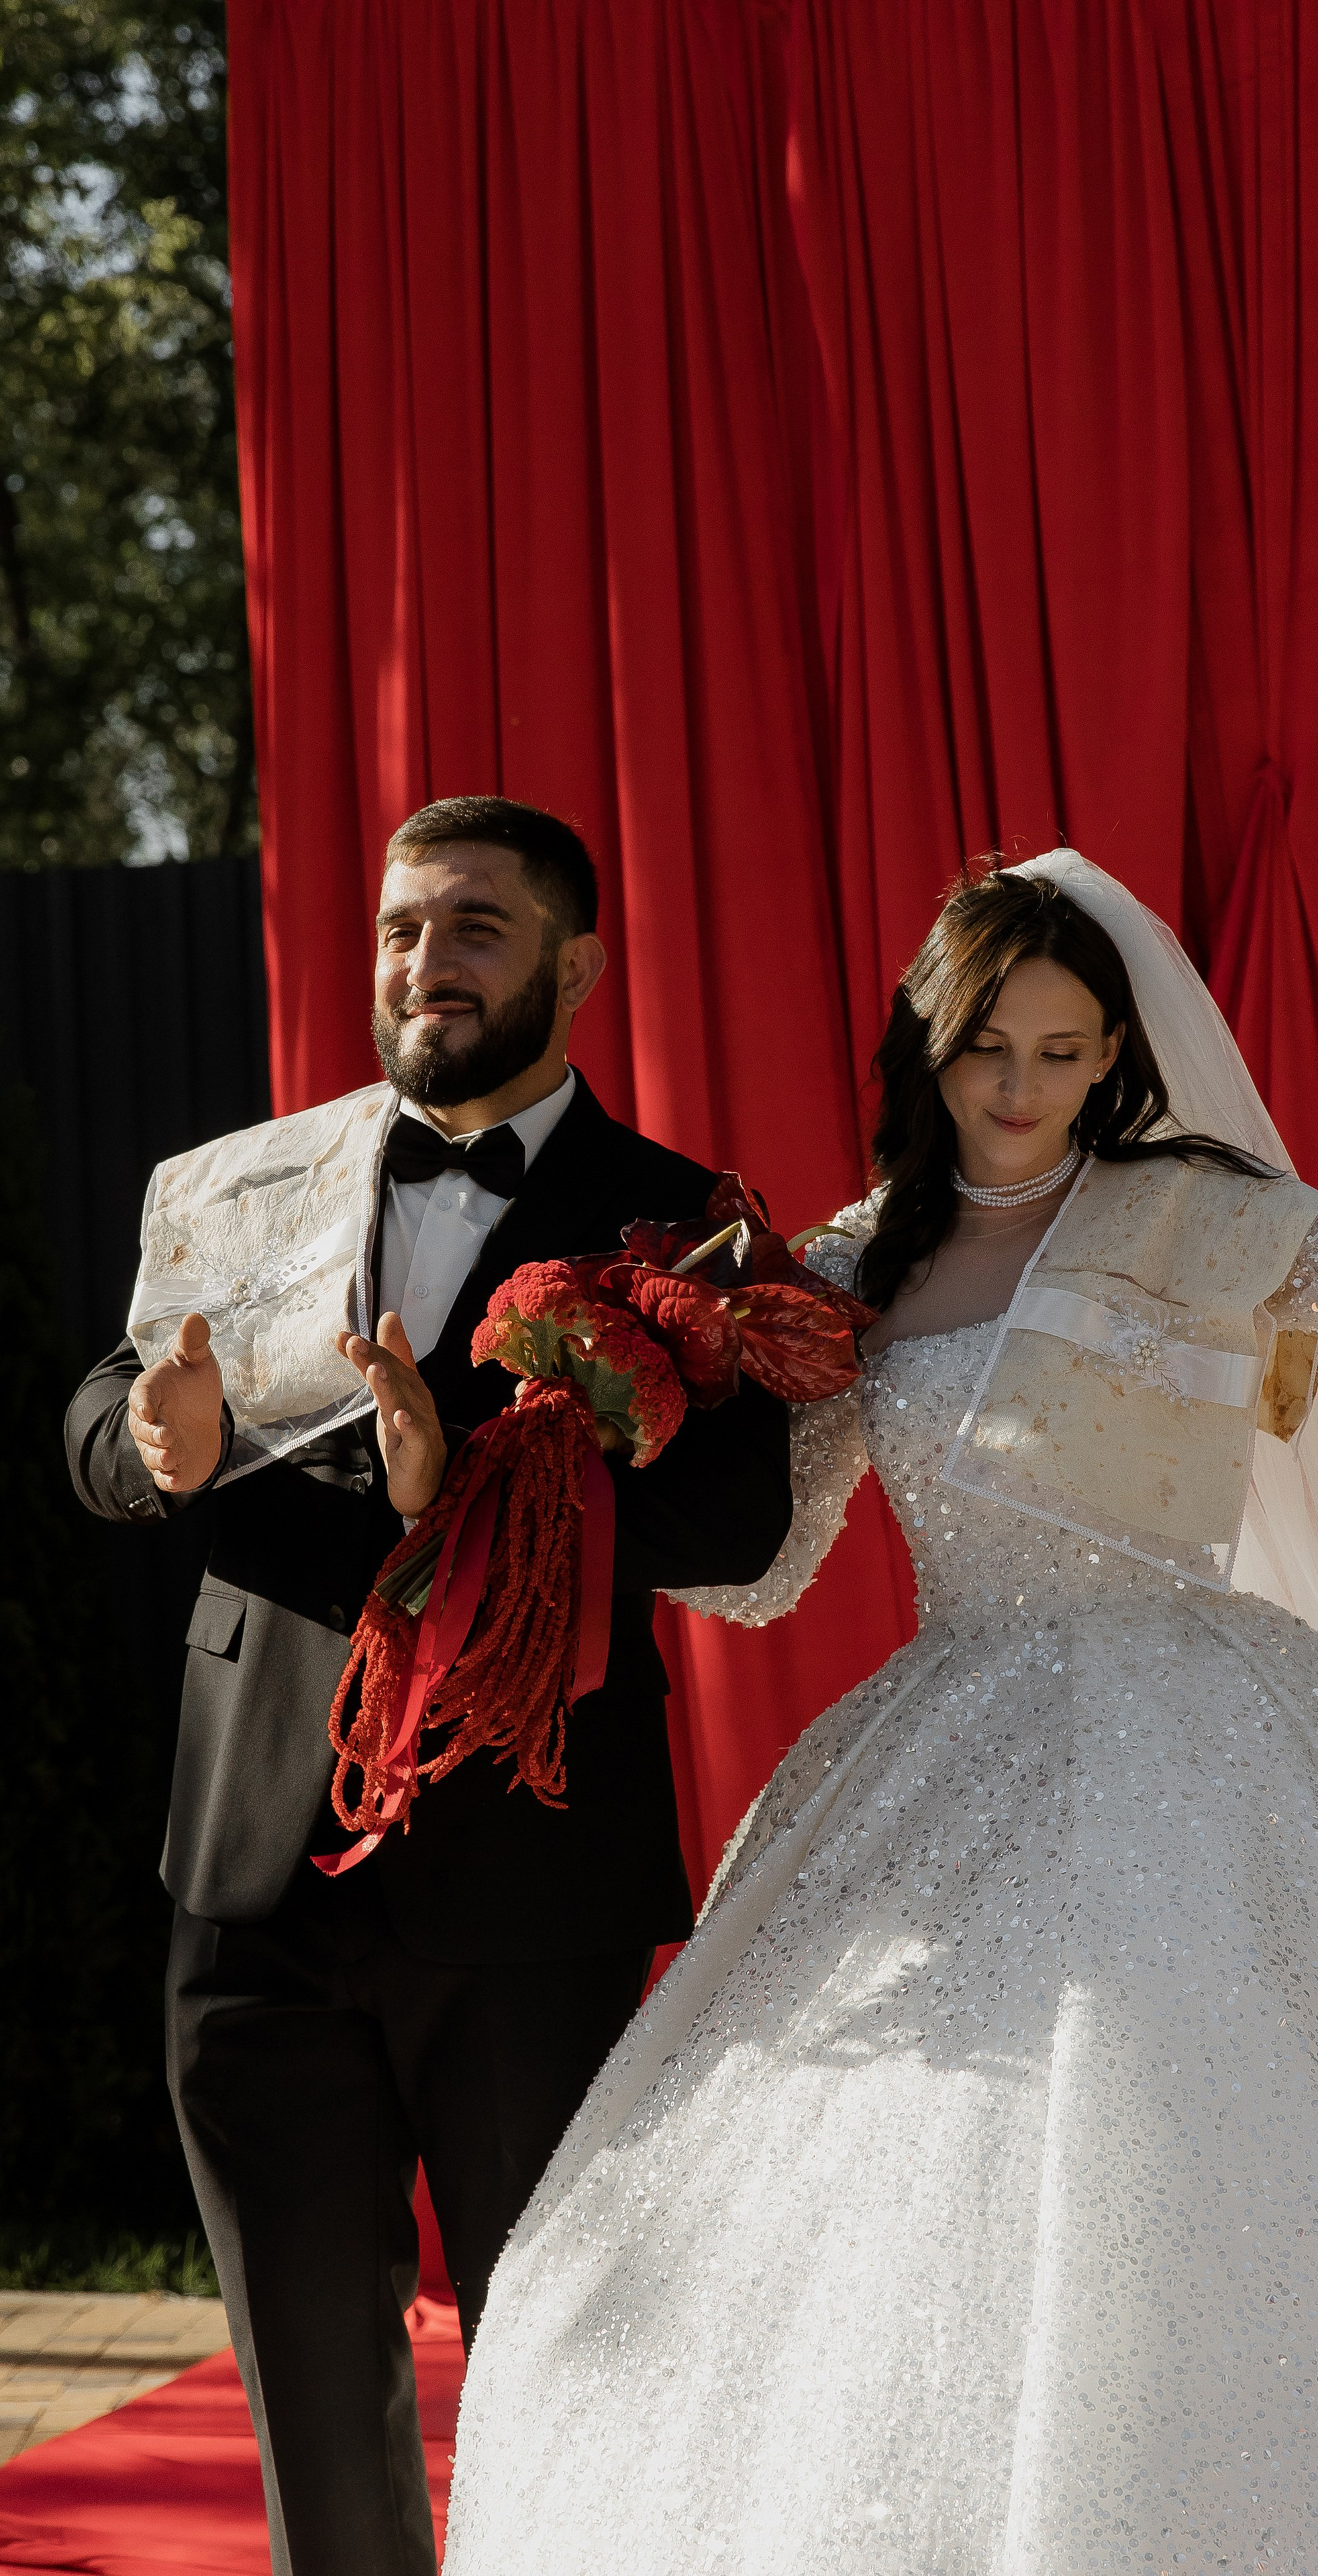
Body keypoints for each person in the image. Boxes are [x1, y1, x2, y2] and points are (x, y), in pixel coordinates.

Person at [446, 794, 1318, 2571]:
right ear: (932, 1043)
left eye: (1061, 1051)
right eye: (989, 1049)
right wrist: (603, 1447)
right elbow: (772, 1571)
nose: (1021, 1087)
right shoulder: (849, 1265)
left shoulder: (1195, 1213)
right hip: (944, 1750)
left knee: (1213, 2163)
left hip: (1210, 1740)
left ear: (1116, 1052)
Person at [64, 796, 791, 2576]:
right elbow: (100, 1407)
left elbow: (737, 1520)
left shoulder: (682, 1222)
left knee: (564, 2377)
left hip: (527, 1882)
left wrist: (460, 1496)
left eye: (476, 925)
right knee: (311, 2399)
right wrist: (151, 1451)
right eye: (402, 927)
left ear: (578, 965)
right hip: (250, 1867)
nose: (426, 964)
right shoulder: (255, 1180)